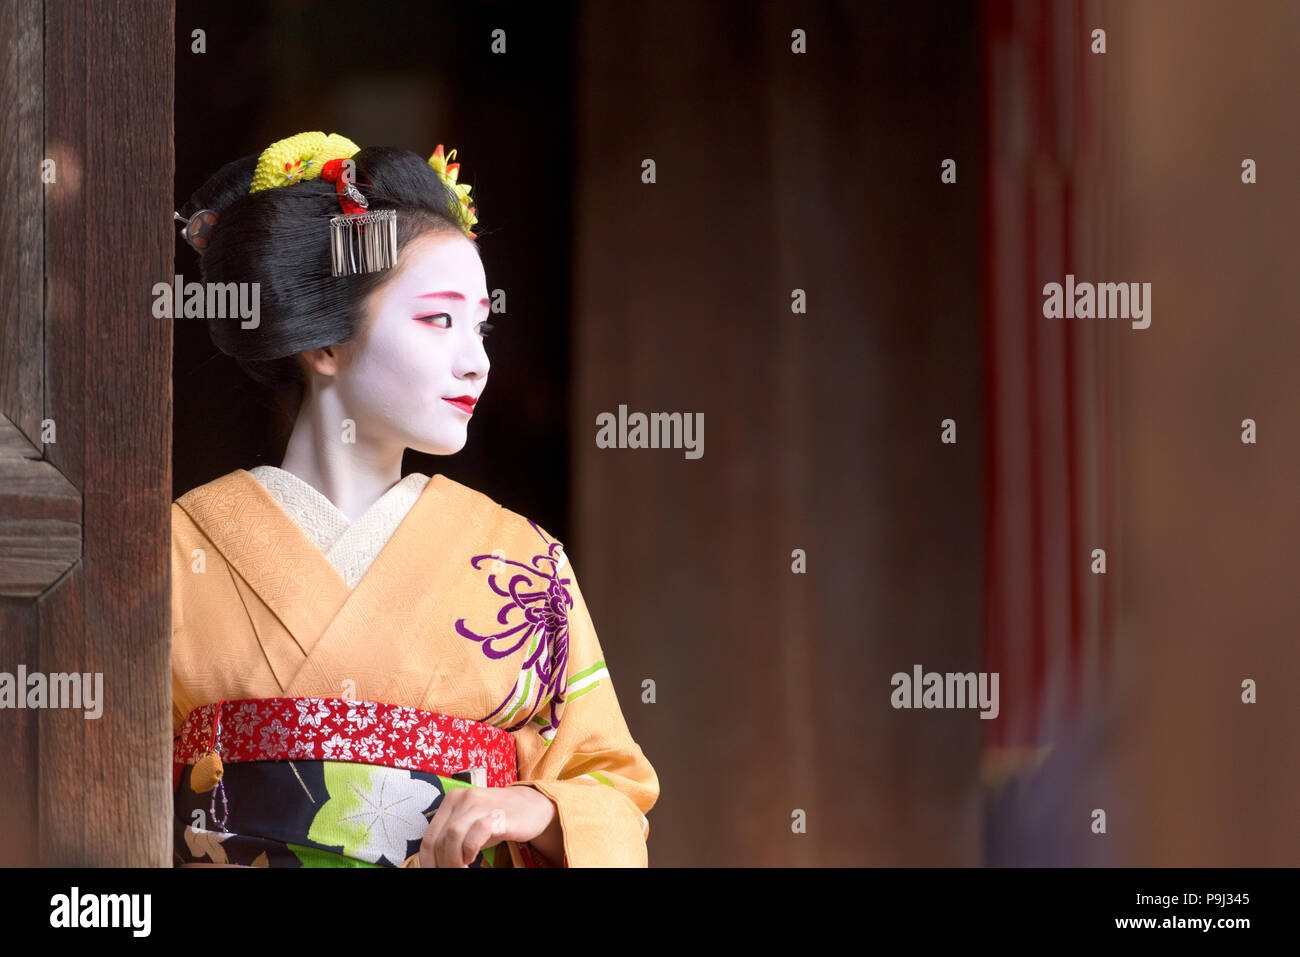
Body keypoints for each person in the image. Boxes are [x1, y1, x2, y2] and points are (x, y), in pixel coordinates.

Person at [170, 131, 658, 868]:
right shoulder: (175, 550)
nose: (478, 360)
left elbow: (613, 788)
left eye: (481, 325)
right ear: (323, 342)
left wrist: (542, 806)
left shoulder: (526, 561)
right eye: (439, 319)